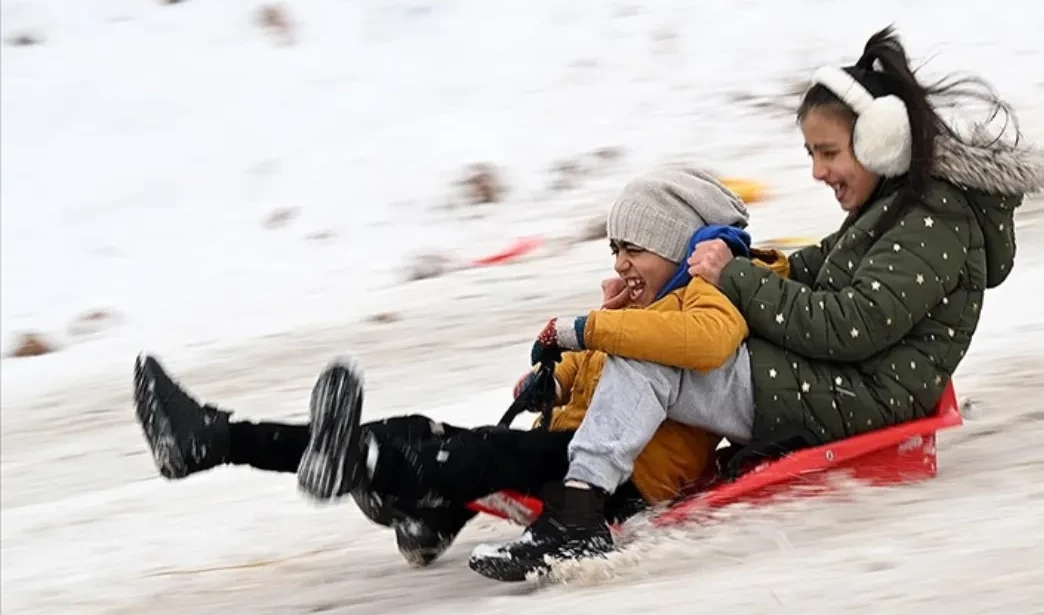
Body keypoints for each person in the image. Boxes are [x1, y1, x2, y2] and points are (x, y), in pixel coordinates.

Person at [467, 26, 1044, 581]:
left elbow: (852, 325)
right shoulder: (900, 209)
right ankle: (588, 480)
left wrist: (741, 280)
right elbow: (819, 267)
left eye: (827, 152)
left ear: (881, 142)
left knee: (652, 353)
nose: (817, 171)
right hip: (843, 380)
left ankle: (579, 513)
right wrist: (748, 265)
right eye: (810, 154)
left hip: (864, 396)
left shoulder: (932, 221)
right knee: (668, 337)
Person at [130, 167, 788, 571]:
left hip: (623, 477)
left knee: (464, 455)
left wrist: (595, 326)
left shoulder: (702, 302)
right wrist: (556, 377)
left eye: (633, 249)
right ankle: (216, 439)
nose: (618, 265)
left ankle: (372, 470)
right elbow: (604, 372)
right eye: (614, 249)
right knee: (423, 432)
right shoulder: (639, 308)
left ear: (680, 245)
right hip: (572, 446)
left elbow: (682, 352)